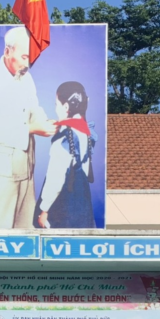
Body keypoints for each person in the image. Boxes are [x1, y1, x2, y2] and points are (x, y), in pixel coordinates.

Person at [0, 25, 55, 229]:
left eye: (31, 58)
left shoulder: (25, 76)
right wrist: (34, 128)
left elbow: (34, 106)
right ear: (7, 51)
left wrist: (45, 122)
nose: (28, 63)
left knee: (25, 228)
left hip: (25, 167)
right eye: (24, 57)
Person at [35, 81, 96, 229]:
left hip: (63, 206)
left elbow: (55, 178)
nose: (55, 108)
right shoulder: (86, 132)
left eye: (56, 104)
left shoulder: (64, 139)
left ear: (66, 107)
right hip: (83, 204)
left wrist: (44, 210)